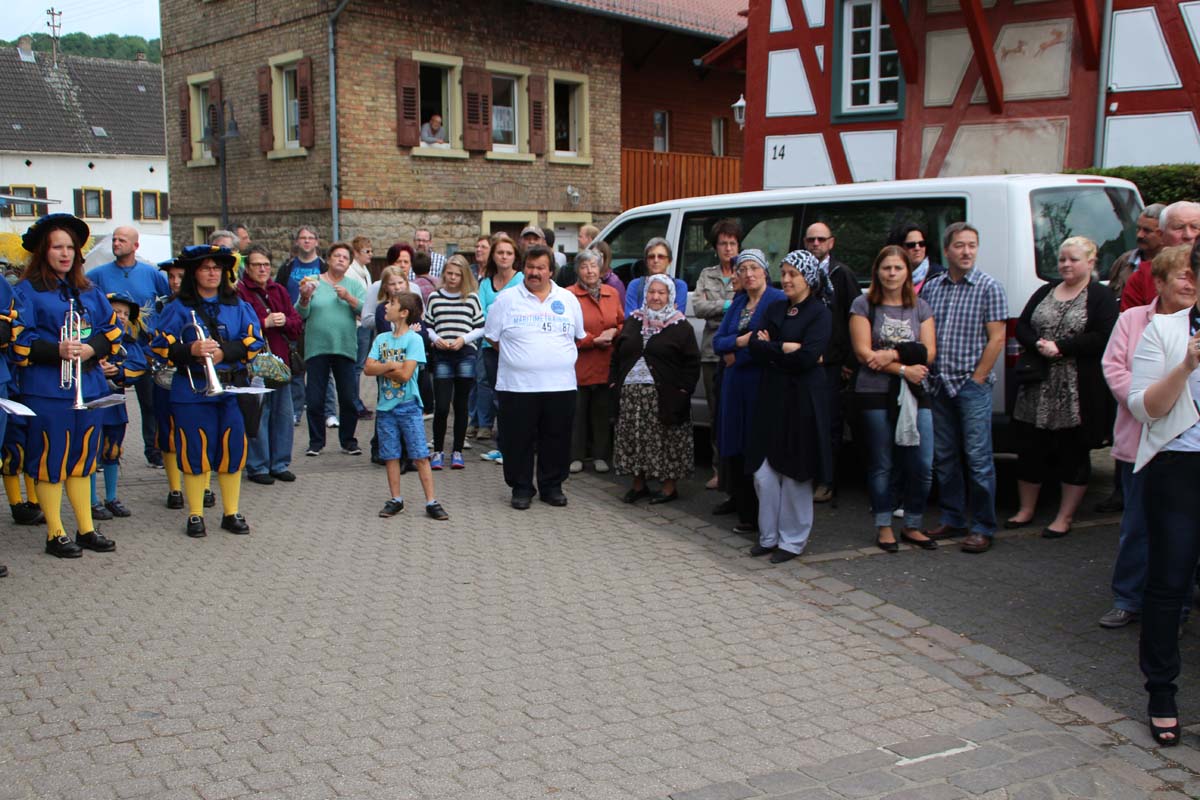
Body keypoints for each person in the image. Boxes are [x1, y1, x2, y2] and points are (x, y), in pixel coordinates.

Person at [12, 213, 123, 559]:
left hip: (88, 385)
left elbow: (112, 331)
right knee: (51, 458)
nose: (65, 254)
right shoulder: (26, 291)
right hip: (47, 387)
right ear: (43, 252)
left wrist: (93, 349)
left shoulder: (88, 290)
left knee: (83, 459)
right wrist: (57, 350)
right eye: (57, 247)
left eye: (70, 248)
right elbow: (19, 341)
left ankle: (86, 528)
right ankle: (55, 533)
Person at [1127, 240, 1200, 746]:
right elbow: (1145, 408)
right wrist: (1186, 365)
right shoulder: (1166, 330)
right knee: (1170, 580)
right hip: (1177, 466)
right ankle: (1161, 692)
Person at [1100, 244, 1194, 629]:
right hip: (1139, 439)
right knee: (1137, 527)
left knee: (1182, 534)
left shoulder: (1195, 324)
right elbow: (1114, 369)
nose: (1190, 283)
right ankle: (1127, 598)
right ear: (1160, 282)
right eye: (1183, 276)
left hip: (1185, 447)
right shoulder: (1133, 319)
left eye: (1195, 276)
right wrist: (1147, 402)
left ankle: (1178, 608)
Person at [1006, 237, 1117, 537]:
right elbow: (1023, 325)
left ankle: (1064, 517)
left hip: (1076, 390)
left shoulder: (1101, 296)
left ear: (1091, 262)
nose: (1066, 265)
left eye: (1073, 259)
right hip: (1036, 388)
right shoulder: (1046, 290)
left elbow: (1104, 335)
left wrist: (1063, 347)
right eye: (1062, 259)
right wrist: (1038, 345)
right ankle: (1026, 510)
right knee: (1030, 450)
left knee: (1073, 452)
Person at [151, 245, 264, 538]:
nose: (212, 273)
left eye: (217, 268)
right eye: (205, 268)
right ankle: (195, 514)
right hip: (191, 388)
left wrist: (224, 352)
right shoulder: (177, 307)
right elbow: (160, 347)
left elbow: (254, 341)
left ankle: (231, 512)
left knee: (232, 449)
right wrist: (191, 349)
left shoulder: (238, 305)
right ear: (194, 273)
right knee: (194, 450)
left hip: (230, 386)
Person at [921, 222, 1008, 553]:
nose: (967, 251)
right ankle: (953, 518)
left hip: (971, 386)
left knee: (978, 459)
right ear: (947, 250)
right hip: (939, 384)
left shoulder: (989, 287)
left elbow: (997, 338)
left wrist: (978, 378)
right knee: (944, 457)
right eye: (959, 245)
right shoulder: (932, 288)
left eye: (972, 245)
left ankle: (983, 526)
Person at [849, 245, 938, 552]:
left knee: (922, 463)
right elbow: (864, 354)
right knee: (882, 463)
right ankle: (884, 525)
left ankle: (912, 523)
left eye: (898, 268)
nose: (892, 273)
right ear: (877, 271)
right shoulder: (863, 305)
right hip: (874, 392)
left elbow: (928, 353)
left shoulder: (921, 307)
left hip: (915, 393)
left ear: (907, 273)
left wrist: (890, 354)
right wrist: (903, 368)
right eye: (886, 267)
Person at [745, 250, 832, 563]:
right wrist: (783, 346)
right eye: (783, 273)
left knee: (796, 472)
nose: (786, 280)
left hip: (802, 399)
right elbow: (754, 346)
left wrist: (773, 348)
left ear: (808, 277)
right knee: (764, 473)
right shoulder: (776, 307)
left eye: (792, 274)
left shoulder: (819, 313)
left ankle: (792, 541)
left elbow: (808, 358)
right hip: (772, 395)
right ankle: (768, 536)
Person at [483, 245, 585, 509]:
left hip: (560, 386)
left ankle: (552, 487)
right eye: (530, 267)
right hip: (517, 386)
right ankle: (521, 488)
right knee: (518, 440)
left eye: (541, 268)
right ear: (523, 268)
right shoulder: (505, 300)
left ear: (551, 271)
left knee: (557, 438)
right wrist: (521, 359)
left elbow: (576, 337)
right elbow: (492, 337)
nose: (534, 272)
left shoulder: (568, 299)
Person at [713, 249, 787, 536]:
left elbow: (772, 343)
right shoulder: (739, 302)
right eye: (742, 269)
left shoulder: (776, 300)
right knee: (735, 444)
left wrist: (738, 351)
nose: (748, 274)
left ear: (765, 271)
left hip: (761, 382)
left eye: (753, 268)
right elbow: (719, 342)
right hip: (735, 385)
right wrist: (740, 341)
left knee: (758, 444)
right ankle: (744, 510)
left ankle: (764, 515)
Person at [611, 274, 699, 504]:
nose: (656, 297)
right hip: (632, 398)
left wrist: (683, 391)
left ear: (670, 296)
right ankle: (638, 485)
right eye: (651, 292)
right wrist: (613, 382)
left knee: (667, 441)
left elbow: (691, 363)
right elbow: (617, 355)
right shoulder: (633, 321)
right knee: (635, 440)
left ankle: (669, 488)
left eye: (661, 293)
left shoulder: (680, 326)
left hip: (665, 397)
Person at [89, 224, 169, 468]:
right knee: (108, 402)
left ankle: (154, 451)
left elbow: (168, 302)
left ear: (135, 245)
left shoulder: (152, 274)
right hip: (110, 349)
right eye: (114, 239)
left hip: (145, 349)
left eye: (122, 240)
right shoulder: (97, 275)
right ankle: (105, 452)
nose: (116, 244)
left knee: (150, 402)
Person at [365, 291, 449, 521]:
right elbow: (368, 368)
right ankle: (396, 499)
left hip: (409, 406)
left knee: (420, 454)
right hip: (385, 409)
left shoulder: (414, 340)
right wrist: (390, 365)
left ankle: (431, 501)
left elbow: (405, 375)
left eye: (391, 303)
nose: (385, 306)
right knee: (391, 455)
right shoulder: (381, 339)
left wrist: (383, 367)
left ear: (403, 313)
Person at [802, 221, 860, 503]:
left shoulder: (841, 274)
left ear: (831, 242)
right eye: (811, 240)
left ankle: (828, 481)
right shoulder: (802, 274)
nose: (816, 244)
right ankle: (810, 475)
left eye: (821, 239)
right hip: (808, 362)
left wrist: (849, 360)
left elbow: (855, 318)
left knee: (829, 425)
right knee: (809, 424)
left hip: (833, 363)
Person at [237, 244, 303, 485]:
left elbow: (296, 324)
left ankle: (279, 463)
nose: (262, 269)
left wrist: (285, 320)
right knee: (259, 415)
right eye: (257, 265)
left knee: (283, 415)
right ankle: (258, 466)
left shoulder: (279, 290)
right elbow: (239, 326)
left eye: (266, 264)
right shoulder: (240, 292)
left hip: (280, 362)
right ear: (247, 267)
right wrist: (264, 323)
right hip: (255, 365)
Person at [297, 241, 365, 457]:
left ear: (349, 263)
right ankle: (316, 443)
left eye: (345, 258)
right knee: (315, 399)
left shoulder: (353, 285)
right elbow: (300, 313)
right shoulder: (313, 282)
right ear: (328, 259)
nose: (341, 260)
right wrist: (305, 297)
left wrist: (348, 297)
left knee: (348, 398)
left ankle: (348, 441)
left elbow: (365, 311)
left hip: (344, 347)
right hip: (317, 348)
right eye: (337, 256)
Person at [89, 292, 147, 521]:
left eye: (125, 313)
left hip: (115, 404)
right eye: (116, 312)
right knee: (91, 451)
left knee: (112, 450)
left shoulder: (128, 343)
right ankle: (91, 500)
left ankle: (111, 497)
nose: (121, 317)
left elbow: (139, 366)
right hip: (93, 402)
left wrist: (119, 371)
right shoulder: (92, 337)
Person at [693, 218, 741, 490]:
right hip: (712, 353)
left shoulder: (747, 271)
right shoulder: (706, 274)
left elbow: (750, 305)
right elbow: (698, 307)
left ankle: (739, 470)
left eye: (732, 243)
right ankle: (719, 469)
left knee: (738, 412)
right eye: (723, 243)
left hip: (740, 352)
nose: (728, 248)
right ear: (716, 247)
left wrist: (721, 308)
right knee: (716, 414)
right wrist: (727, 305)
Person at [424, 254, 484, 470]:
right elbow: (428, 325)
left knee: (461, 404)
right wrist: (435, 339)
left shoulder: (472, 298)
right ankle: (438, 450)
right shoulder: (435, 297)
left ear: (464, 276)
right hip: (442, 355)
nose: (452, 278)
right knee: (441, 406)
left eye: (457, 275)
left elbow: (481, 326)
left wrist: (463, 339)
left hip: (465, 354)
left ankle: (457, 450)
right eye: (449, 273)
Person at [570, 249, 624, 474]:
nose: (590, 270)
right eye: (584, 266)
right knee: (577, 414)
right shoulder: (569, 295)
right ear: (577, 270)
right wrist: (593, 340)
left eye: (593, 265)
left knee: (601, 413)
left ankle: (601, 455)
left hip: (605, 363)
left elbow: (622, 322)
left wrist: (614, 332)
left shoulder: (612, 293)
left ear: (600, 268)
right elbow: (566, 331)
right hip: (579, 364)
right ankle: (575, 456)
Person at [475, 233, 523, 453]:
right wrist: (494, 335)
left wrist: (498, 322)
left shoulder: (521, 280)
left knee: (515, 397)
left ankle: (514, 444)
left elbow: (518, 312)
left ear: (515, 257)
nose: (504, 256)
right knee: (497, 396)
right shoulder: (485, 283)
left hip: (515, 347)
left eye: (509, 253)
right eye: (500, 252)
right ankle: (502, 444)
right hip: (490, 347)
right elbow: (481, 314)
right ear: (493, 256)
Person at [275, 225, 326, 424]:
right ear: (297, 242)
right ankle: (296, 411)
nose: (306, 241)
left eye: (310, 238)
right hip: (292, 323)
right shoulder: (288, 267)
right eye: (303, 238)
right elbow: (278, 292)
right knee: (295, 368)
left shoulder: (323, 266)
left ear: (316, 242)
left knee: (320, 369)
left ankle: (326, 411)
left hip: (316, 322)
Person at [1122, 202, 1199, 311]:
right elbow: (1133, 319)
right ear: (1161, 235)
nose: (1188, 235)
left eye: (1195, 227)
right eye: (1179, 227)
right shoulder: (1141, 278)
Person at [1109, 203, 1166, 302]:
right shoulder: (1124, 261)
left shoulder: (1174, 264)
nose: (1139, 235)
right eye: (1138, 228)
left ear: (1162, 233)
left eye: (1147, 231)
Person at [624, 238, 688, 315]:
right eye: (651, 257)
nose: (656, 260)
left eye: (661, 257)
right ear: (646, 261)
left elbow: (676, 318)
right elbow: (630, 318)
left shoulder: (679, 286)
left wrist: (641, 314)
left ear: (669, 261)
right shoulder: (635, 286)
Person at [347, 235, 374, 420]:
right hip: (358, 324)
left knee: (359, 366)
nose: (370, 254)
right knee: (356, 366)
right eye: (367, 251)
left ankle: (356, 400)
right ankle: (354, 403)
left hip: (365, 323)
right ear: (356, 253)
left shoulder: (364, 271)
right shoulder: (351, 273)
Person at [887, 221, 945, 293]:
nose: (917, 248)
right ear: (900, 248)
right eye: (911, 245)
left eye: (921, 244)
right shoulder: (891, 276)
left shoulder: (940, 275)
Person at [593, 240, 625, 306]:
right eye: (592, 255)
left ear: (606, 258)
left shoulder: (614, 283)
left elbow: (620, 307)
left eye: (598, 256)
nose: (594, 259)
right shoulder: (590, 278)